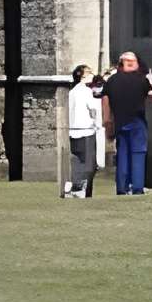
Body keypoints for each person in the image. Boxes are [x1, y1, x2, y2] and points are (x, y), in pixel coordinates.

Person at [99, 50, 152, 196]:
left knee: (122, 156)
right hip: (137, 122)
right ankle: (137, 188)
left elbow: (105, 102)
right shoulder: (141, 80)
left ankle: (122, 188)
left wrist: (107, 122)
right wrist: (150, 81)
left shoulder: (111, 81)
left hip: (120, 122)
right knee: (138, 154)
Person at [61, 63, 104, 200]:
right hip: (86, 131)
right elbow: (94, 107)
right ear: (83, 76)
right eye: (89, 73)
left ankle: (74, 188)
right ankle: (84, 191)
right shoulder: (86, 92)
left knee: (77, 163)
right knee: (88, 165)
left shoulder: (72, 91)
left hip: (73, 131)